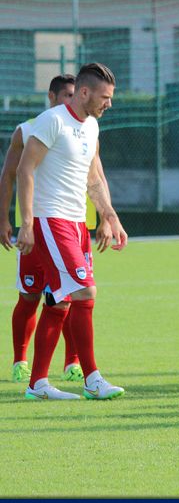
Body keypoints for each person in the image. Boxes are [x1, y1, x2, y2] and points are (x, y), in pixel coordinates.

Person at [16, 62, 128, 400]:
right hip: (52, 221)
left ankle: (37, 384)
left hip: (78, 223)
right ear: (83, 92)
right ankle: (92, 378)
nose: (108, 103)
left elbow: (93, 179)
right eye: (104, 97)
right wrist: (27, 222)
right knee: (85, 292)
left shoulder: (91, 126)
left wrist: (110, 216)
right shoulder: (53, 121)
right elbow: (24, 170)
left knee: (59, 302)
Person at [0, 75, 82, 383]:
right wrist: (5, 219)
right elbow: (9, 175)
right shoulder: (28, 129)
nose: (72, 101)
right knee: (31, 295)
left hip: (72, 227)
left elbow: (93, 174)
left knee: (72, 295)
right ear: (51, 96)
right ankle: (20, 360)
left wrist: (105, 217)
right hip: (36, 227)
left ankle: (72, 362)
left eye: (76, 95)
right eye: (67, 95)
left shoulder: (83, 128)